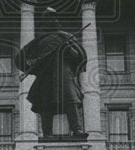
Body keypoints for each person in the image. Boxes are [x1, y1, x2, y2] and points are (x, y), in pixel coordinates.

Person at [14, 8, 88, 139]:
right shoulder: (39, 41)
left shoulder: (65, 37)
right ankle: (47, 133)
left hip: (64, 74)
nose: (54, 20)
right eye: (50, 18)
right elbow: (23, 59)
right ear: (45, 22)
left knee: (71, 100)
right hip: (46, 75)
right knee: (45, 104)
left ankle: (77, 130)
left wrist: (68, 49)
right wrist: (32, 65)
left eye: (55, 18)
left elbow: (78, 57)